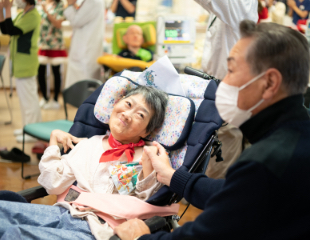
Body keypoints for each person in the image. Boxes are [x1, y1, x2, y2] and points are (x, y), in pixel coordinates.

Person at [114, 20, 310, 239]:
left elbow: (209, 232)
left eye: (231, 71)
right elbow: (236, 195)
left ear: (269, 83)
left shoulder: (267, 162)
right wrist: (172, 176)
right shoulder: (297, 135)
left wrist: (140, 237)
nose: (223, 82)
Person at [0, 86, 168, 240]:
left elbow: (145, 207)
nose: (127, 114)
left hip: (97, 229)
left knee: (15, 235)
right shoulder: (88, 144)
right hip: (64, 211)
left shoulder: (149, 156)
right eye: (128, 104)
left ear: (147, 130)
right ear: (117, 103)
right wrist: (53, 145)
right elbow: (53, 185)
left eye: (140, 115)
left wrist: (147, 168)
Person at [194, 0, 258, 179]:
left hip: (229, 90)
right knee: (212, 143)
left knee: (223, 147)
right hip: (215, 87)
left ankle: (216, 200)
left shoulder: (241, 4)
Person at [0, 0, 42, 143]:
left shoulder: (34, 15)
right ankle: (27, 127)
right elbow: (6, 30)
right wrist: (2, 11)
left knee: (29, 101)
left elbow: (13, 30)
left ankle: (33, 132)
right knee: (25, 101)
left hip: (26, 64)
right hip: (20, 63)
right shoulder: (22, 14)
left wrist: (7, 8)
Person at [63, 0, 104, 89]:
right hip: (84, 50)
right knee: (80, 87)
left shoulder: (93, 2)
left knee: (82, 87)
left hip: (85, 52)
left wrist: (70, 5)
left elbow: (76, 21)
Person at [38, 0, 67, 110]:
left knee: (56, 72)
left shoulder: (59, 5)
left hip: (55, 43)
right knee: (40, 72)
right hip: (42, 43)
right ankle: (44, 98)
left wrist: (47, 12)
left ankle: (55, 99)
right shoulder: (40, 4)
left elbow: (58, 24)